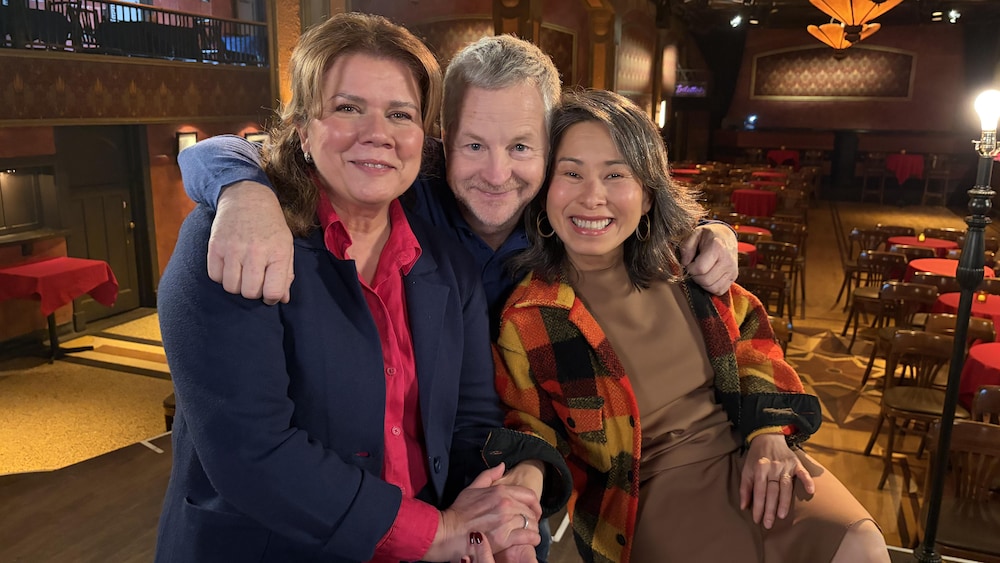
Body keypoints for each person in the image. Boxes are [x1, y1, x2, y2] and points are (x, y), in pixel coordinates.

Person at [176, 32, 741, 557]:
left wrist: (704, 233)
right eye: (474, 144)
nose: (497, 174)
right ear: (442, 141)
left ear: (549, 148)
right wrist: (242, 189)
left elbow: (634, 214)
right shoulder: (408, 196)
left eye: (522, 147)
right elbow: (229, 150)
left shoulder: (564, 227)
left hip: (486, 469)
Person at [156, 13, 571, 563]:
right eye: (348, 108)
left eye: (399, 114)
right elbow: (251, 452)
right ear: (302, 126)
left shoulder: (453, 258)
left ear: (421, 139)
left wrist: (501, 517)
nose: (377, 133)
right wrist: (438, 533)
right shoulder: (238, 238)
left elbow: (469, 421)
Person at [493, 89, 890, 563]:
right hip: (645, 494)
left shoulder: (687, 266)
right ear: (543, 191)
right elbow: (531, 423)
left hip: (747, 452)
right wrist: (530, 471)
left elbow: (753, 343)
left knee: (859, 542)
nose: (592, 196)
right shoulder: (530, 313)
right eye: (571, 173)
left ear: (646, 196)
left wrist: (770, 435)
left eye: (616, 174)